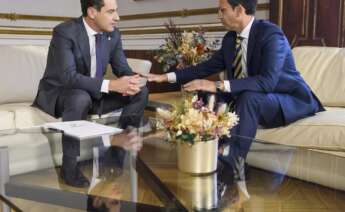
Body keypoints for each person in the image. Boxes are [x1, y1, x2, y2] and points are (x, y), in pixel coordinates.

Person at [149, 0, 324, 176]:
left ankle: (233, 164)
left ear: (239, 10)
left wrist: (217, 84)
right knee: (207, 94)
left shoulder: (271, 35)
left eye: (222, 10)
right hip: (256, 96)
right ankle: (209, 152)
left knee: (248, 97)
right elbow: (206, 67)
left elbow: (267, 82)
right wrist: (165, 77)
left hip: (287, 99)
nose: (219, 15)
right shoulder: (231, 39)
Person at [33, 0, 148, 187]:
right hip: (62, 94)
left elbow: (122, 68)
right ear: (92, 12)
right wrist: (111, 85)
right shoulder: (65, 32)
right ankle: (69, 168)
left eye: (116, 11)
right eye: (111, 12)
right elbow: (68, 77)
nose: (117, 18)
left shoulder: (113, 34)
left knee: (140, 92)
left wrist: (132, 81)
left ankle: (115, 156)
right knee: (80, 97)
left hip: (93, 94)